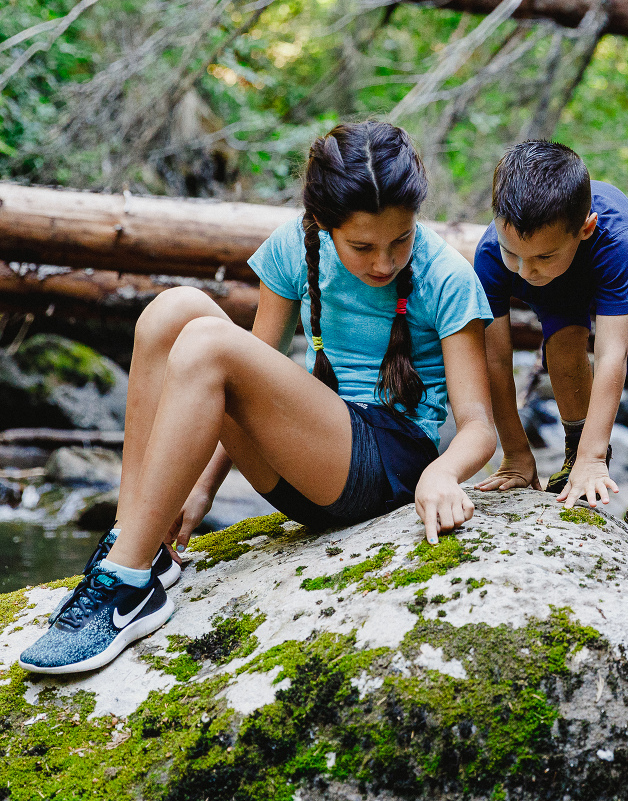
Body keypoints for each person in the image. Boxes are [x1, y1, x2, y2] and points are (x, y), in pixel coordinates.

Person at [20, 120, 496, 675]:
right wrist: (197, 493)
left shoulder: (447, 277)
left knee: (206, 341)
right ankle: (136, 545)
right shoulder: (296, 246)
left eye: (400, 242)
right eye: (362, 247)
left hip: (388, 466)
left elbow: (479, 426)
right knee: (171, 312)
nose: (384, 263)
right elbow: (239, 382)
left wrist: (442, 474)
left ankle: (124, 587)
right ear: (322, 222)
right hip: (314, 461)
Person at [473, 140, 628, 569]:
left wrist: (599, 459)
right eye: (512, 253)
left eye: (540, 255)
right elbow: (495, 361)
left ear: (585, 227)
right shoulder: (492, 257)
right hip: (562, 282)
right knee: (564, 342)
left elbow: (612, 353)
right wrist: (517, 454)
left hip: (623, 271)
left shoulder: (612, 237)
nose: (524, 270)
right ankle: (576, 453)